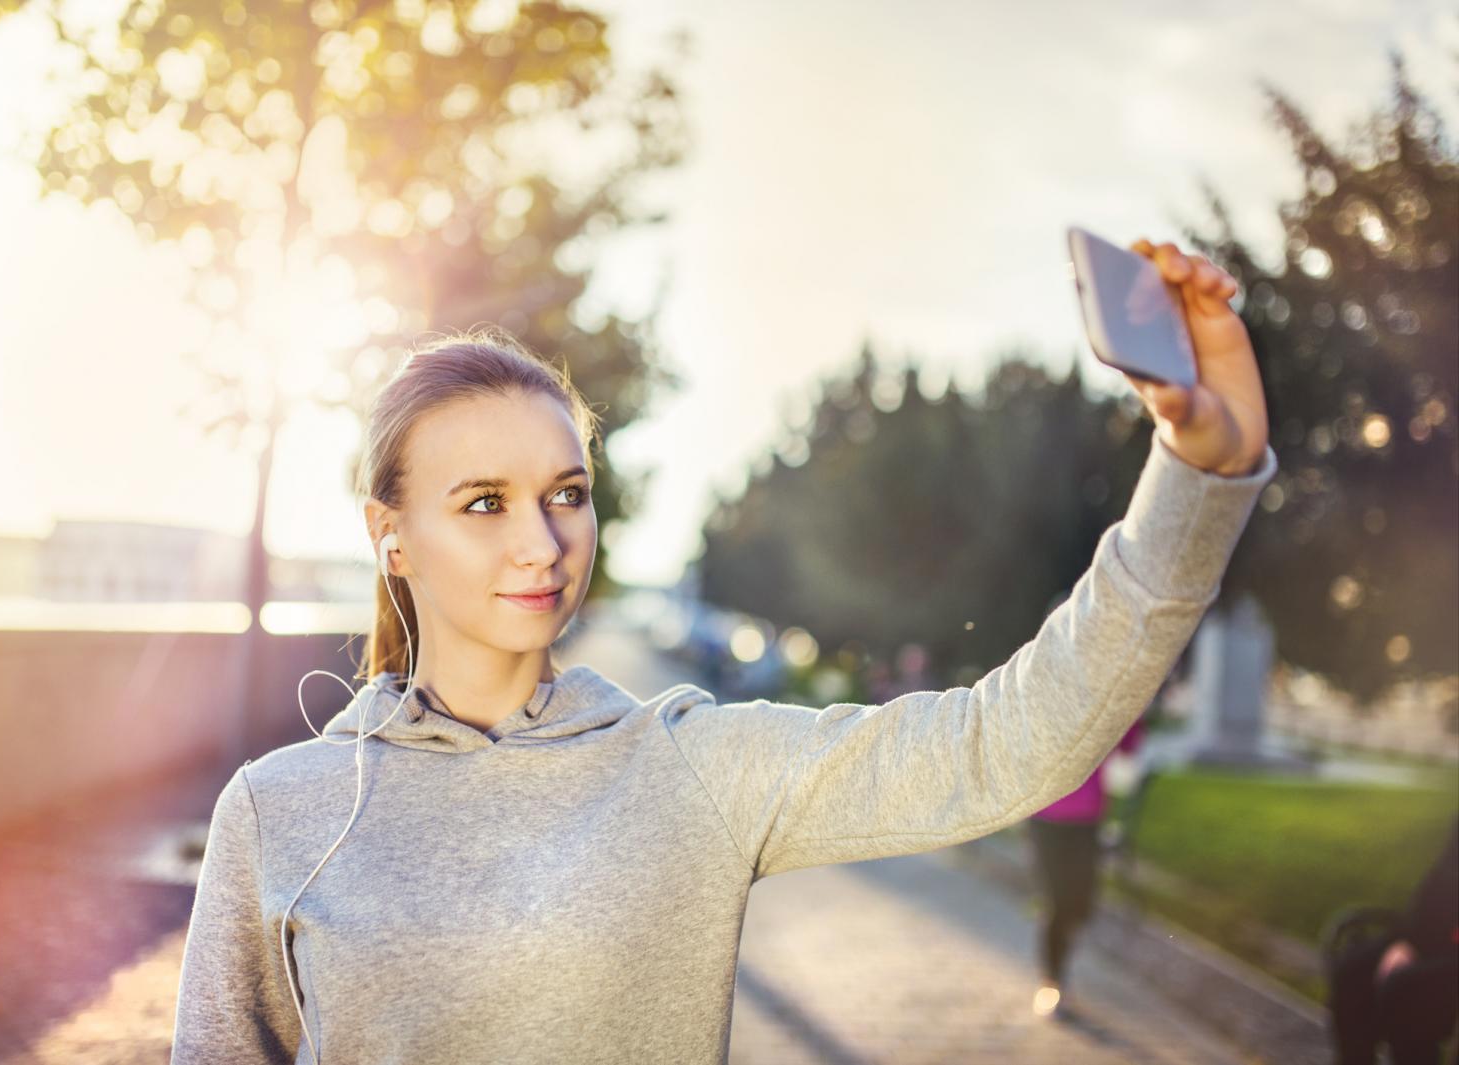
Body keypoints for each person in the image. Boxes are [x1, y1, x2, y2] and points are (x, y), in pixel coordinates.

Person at [170, 239, 1277, 1064]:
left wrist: (1195, 474)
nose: (542, 541)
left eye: (565, 495)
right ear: (389, 535)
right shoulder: (282, 812)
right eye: (482, 502)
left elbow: (1013, 745)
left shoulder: (691, 769)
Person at [1026, 714, 1147, 1019]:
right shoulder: (1049, 697)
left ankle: (1060, 960)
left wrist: (1133, 703)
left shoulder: (1103, 704)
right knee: (1057, 901)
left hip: (1087, 820)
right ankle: (1052, 981)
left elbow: (1129, 745)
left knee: (1080, 904)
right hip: (1046, 817)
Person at [1328, 817, 1459, 1065]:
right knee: (1353, 971)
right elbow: (1437, 886)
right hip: (1439, 939)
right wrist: (1410, 941)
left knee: (1405, 988)